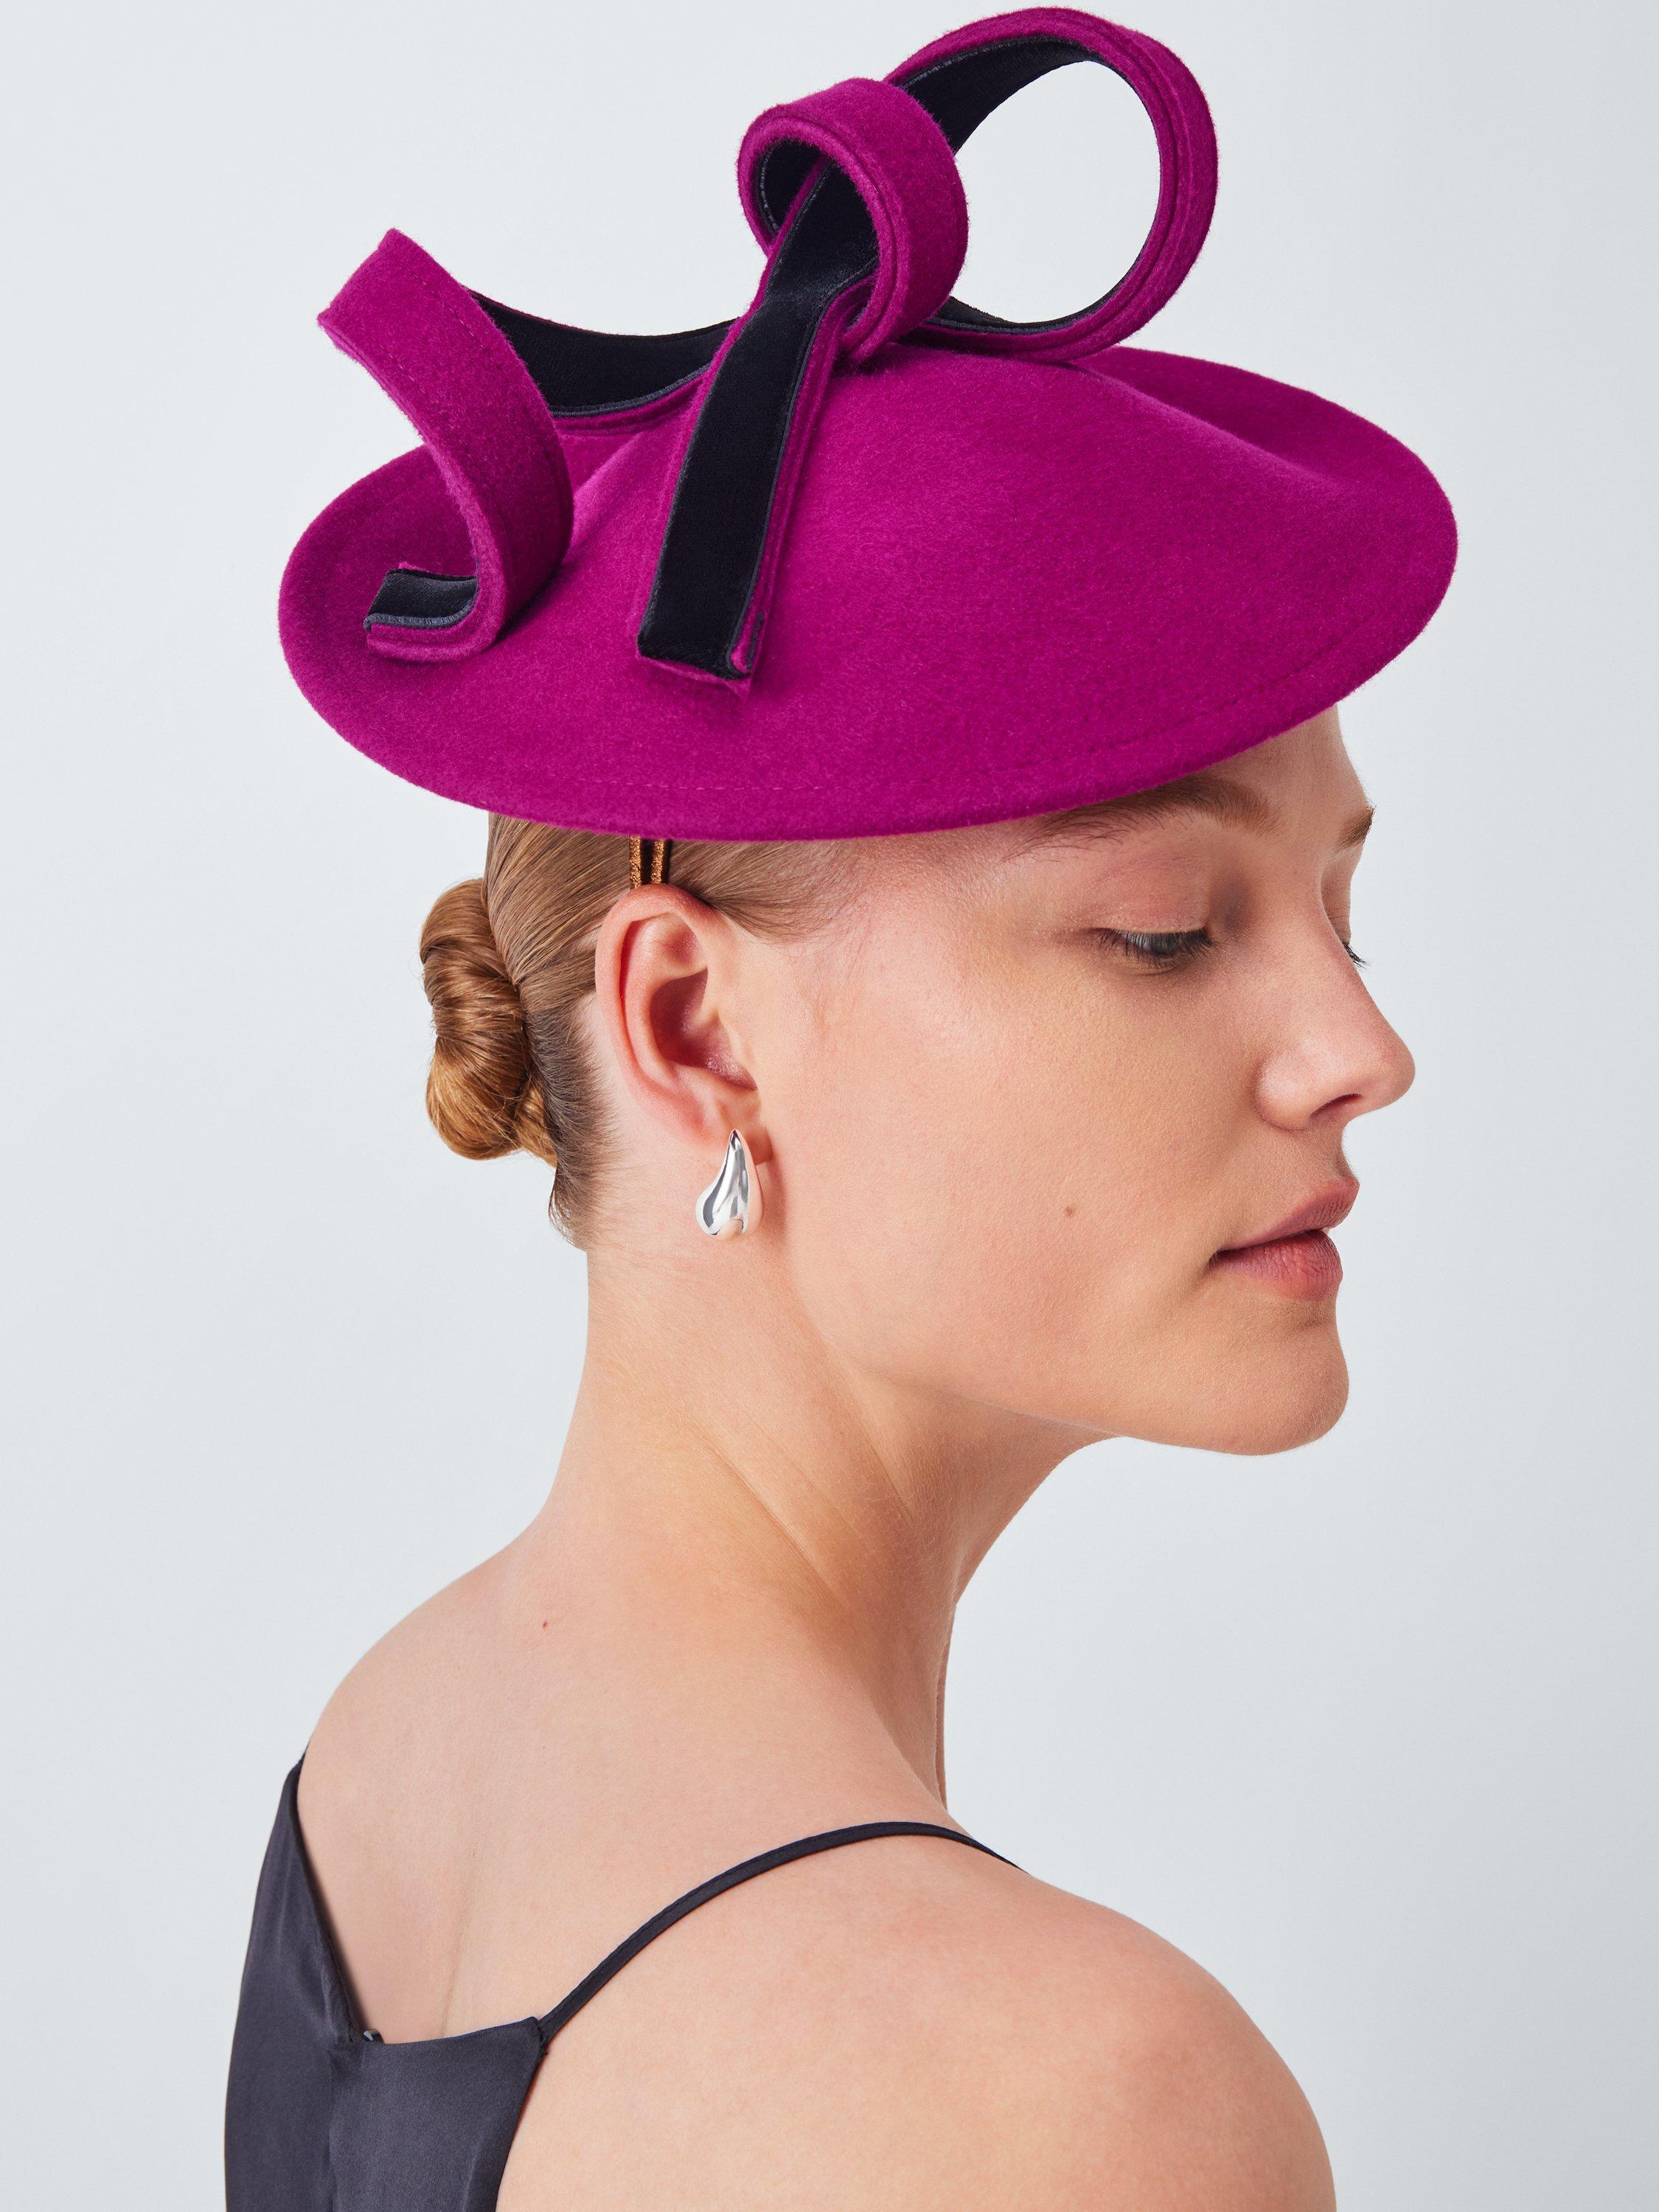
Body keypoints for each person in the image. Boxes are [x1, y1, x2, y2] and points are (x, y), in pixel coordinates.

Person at [226, 13, 1456, 2211]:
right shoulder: (1074, 2104)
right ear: (695, 1028)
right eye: (1169, 931)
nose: (1358, 1048)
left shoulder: (387, 1752)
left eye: (1344, 912)